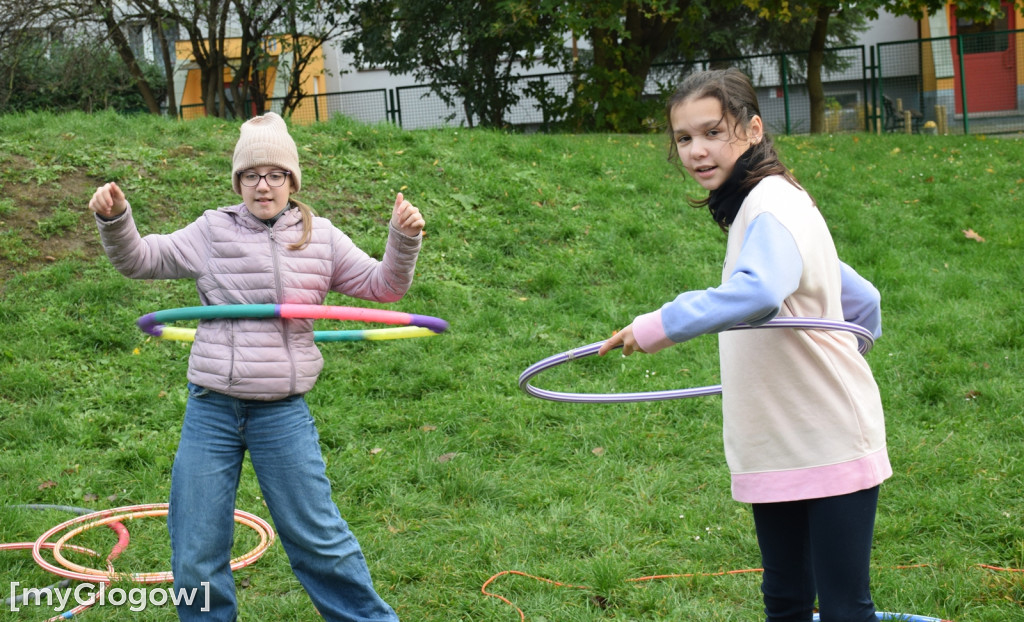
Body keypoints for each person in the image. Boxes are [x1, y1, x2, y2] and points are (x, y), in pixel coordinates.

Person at [88, 112, 423, 622]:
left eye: (275, 174)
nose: (263, 185)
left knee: (319, 542)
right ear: (238, 180)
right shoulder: (211, 230)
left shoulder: (322, 237)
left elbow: (384, 291)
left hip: (281, 413)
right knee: (196, 552)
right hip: (212, 409)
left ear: (292, 180)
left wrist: (401, 239)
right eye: (251, 174)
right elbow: (140, 260)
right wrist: (115, 220)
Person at [598, 68, 891, 622]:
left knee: (844, 610)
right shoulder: (769, 203)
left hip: (826, 437)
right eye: (684, 139)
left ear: (753, 129)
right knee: (784, 601)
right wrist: (836, 362)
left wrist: (658, 325)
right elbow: (864, 299)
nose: (696, 151)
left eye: (713, 132)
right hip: (779, 438)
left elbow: (759, 292)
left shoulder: (770, 204)